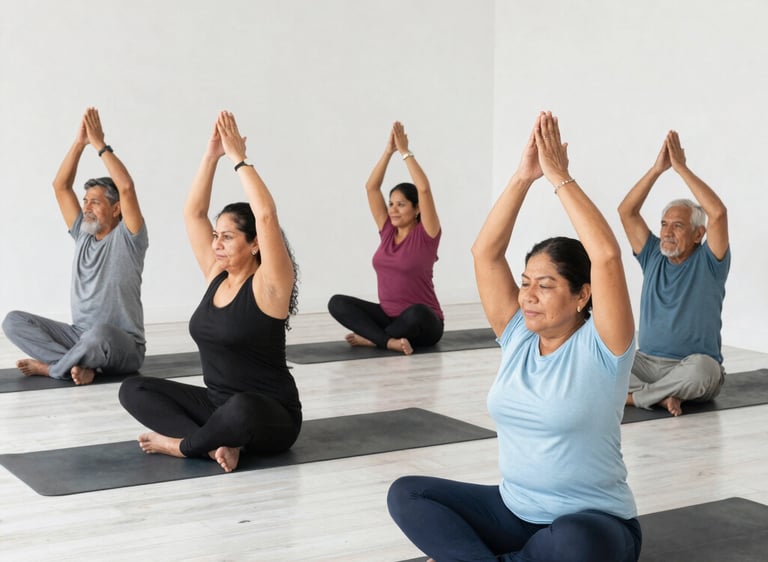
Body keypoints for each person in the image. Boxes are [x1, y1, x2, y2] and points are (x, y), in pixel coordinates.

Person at [387, 112, 642, 562]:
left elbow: (605, 254)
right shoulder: (519, 335)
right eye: (525, 283)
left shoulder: (605, 346)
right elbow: (485, 253)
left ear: (584, 295)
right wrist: (524, 177)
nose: (528, 296)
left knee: (571, 543)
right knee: (407, 494)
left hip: (593, 523)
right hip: (511, 514)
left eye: (545, 286)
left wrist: (560, 178)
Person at [118, 111, 301, 473]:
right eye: (216, 235)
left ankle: (183, 446)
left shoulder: (270, 284)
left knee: (241, 409)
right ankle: (217, 444)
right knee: (133, 390)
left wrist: (238, 159)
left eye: (228, 236)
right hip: (218, 407)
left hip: (270, 416)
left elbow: (266, 215)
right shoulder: (216, 274)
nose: (216, 243)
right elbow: (193, 213)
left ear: (254, 245)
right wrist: (211, 155)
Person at [2, 107, 148, 385]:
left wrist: (99, 145)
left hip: (122, 345)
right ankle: (80, 365)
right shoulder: (83, 234)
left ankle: (54, 368)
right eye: (85, 201)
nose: (86, 207)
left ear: (117, 209)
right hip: (80, 336)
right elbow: (60, 185)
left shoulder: (130, 238)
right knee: (12, 322)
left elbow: (127, 187)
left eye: (95, 201)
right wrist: (79, 143)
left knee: (99, 334)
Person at [618, 131, 729, 417]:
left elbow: (717, 213)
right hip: (646, 364)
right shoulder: (653, 254)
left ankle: (637, 398)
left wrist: (681, 168)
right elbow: (626, 211)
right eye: (664, 224)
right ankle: (662, 396)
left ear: (698, 234)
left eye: (677, 226)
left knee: (705, 370)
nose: (666, 232)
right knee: (602, 357)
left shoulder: (710, 261)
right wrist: (657, 170)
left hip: (691, 366)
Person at [327, 121, 443, 355]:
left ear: (417, 209)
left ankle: (375, 338)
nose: (393, 210)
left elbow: (424, 189)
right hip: (388, 316)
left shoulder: (427, 234)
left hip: (424, 323)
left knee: (417, 312)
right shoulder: (388, 230)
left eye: (401, 205)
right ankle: (388, 340)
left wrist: (404, 152)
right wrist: (388, 152)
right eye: (391, 204)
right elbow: (371, 187)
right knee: (337, 303)